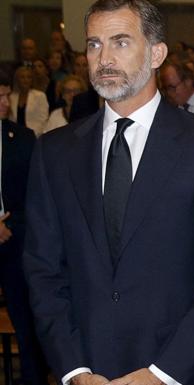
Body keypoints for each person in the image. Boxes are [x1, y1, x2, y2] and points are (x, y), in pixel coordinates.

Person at [23, 1, 194, 385]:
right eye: (94, 45)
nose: (104, 58)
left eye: (120, 42)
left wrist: (162, 373)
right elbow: (43, 271)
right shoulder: (55, 152)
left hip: (182, 372)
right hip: (87, 371)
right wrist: (75, 369)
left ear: (157, 53)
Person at [0, 73, 49, 385]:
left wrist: (8, 225)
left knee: (26, 320)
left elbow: (35, 195)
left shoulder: (23, 137)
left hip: (14, 240)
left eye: (7, 96)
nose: (5, 103)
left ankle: (34, 378)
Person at [9, 66, 49, 136]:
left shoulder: (40, 96)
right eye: (22, 77)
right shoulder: (11, 97)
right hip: (14, 135)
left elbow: (43, 120)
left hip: (34, 134)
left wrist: (32, 134)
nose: (26, 80)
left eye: (29, 77)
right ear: (17, 79)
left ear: (32, 80)